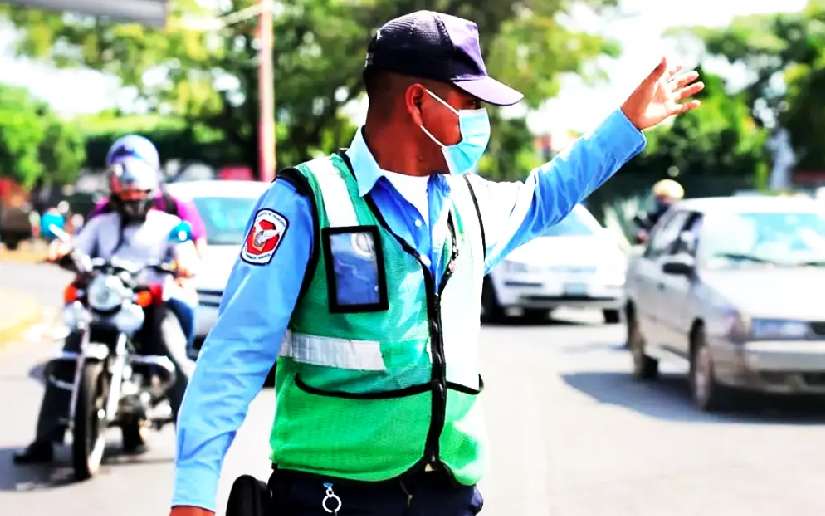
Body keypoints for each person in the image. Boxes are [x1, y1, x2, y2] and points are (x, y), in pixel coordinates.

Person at [171, 10, 703, 516]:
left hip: (447, 495)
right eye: (469, 103)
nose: (481, 120)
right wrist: (194, 491)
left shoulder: (468, 204)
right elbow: (234, 354)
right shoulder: (306, 202)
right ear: (418, 102)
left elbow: (550, 192)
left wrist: (628, 123)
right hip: (332, 498)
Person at [12, 155, 198, 464]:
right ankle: (44, 440)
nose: (133, 200)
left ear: (151, 193)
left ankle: (193, 442)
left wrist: (183, 264)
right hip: (107, 301)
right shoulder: (100, 225)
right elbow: (77, 250)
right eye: (127, 194)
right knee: (67, 358)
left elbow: (187, 255)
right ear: (115, 194)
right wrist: (62, 253)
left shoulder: (169, 226)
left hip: (150, 303)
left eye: (139, 193)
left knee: (177, 359)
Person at [90, 134, 209, 256]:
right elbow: (86, 244)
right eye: (125, 192)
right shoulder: (104, 210)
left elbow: (196, 245)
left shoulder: (174, 206)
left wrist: (187, 264)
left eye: (137, 190)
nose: (132, 196)